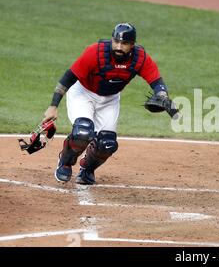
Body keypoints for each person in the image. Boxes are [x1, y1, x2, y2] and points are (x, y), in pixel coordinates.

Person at [42, 23, 176, 185]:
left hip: (110, 99)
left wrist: (162, 95)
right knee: (83, 132)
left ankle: (87, 169)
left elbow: (156, 81)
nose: (119, 46)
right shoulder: (95, 52)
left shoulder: (139, 58)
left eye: (124, 44)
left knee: (107, 143)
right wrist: (53, 106)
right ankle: (65, 162)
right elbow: (68, 78)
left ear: (132, 45)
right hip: (83, 93)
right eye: (116, 42)